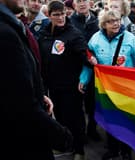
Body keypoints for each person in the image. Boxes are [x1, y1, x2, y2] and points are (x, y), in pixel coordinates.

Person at [0, 0, 73, 159]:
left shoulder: (11, 26)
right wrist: (62, 136)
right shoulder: (5, 33)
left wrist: (37, 92)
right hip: (22, 140)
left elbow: (11, 83)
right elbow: (19, 104)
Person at [80, 10, 135, 160]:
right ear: (103, 24)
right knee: (110, 120)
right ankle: (113, 149)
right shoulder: (95, 39)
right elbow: (90, 63)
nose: (115, 23)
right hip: (105, 89)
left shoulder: (131, 39)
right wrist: (83, 79)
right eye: (110, 21)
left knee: (126, 121)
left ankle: (126, 151)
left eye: (117, 20)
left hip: (126, 89)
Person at [37, 1, 89, 160]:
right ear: (48, 15)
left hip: (71, 87)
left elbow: (86, 57)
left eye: (63, 14)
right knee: (59, 118)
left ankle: (79, 150)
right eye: (56, 15)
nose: (60, 18)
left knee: (75, 118)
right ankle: (66, 146)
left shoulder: (74, 34)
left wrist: (90, 64)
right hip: (52, 86)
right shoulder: (44, 34)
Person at [70, 0, 100, 142]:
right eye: (78, 1)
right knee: (75, 104)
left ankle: (92, 130)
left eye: (84, 0)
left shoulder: (98, 21)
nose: (82, 4)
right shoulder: (69, 21)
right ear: (74, 4)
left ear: (91, 3)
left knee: (92, 103)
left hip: (94, 69)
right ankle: (78, 134)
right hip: (74, 69)